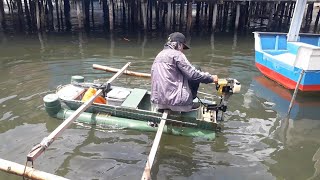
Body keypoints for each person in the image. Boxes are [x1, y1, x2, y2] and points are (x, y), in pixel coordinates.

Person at [151, 32, 218, 112]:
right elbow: (193, 75)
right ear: (178, 44)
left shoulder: (159, 55)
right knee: (196, 68)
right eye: (183, 47)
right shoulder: (177, 55)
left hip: (157, 102)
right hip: (178, 103)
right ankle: (188, 103)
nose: (183, 50)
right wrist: (211, 78)